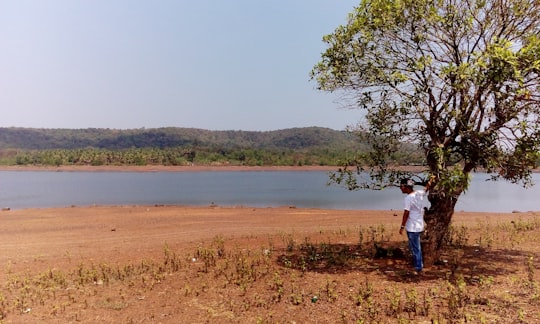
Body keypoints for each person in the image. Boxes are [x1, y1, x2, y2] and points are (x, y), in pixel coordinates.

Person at [398, 177, 431, 274]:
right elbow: (426, 189)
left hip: (412, 227)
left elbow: (406, 213)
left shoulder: (408, 198)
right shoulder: (418, 193)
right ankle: (417, 265)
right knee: (416, 247)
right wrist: (430, 181)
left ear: (405, 187)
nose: (400, 188)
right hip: (419, 225)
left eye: (401, 186)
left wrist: (402, 226)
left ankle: (418, 267)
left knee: (415, 248)